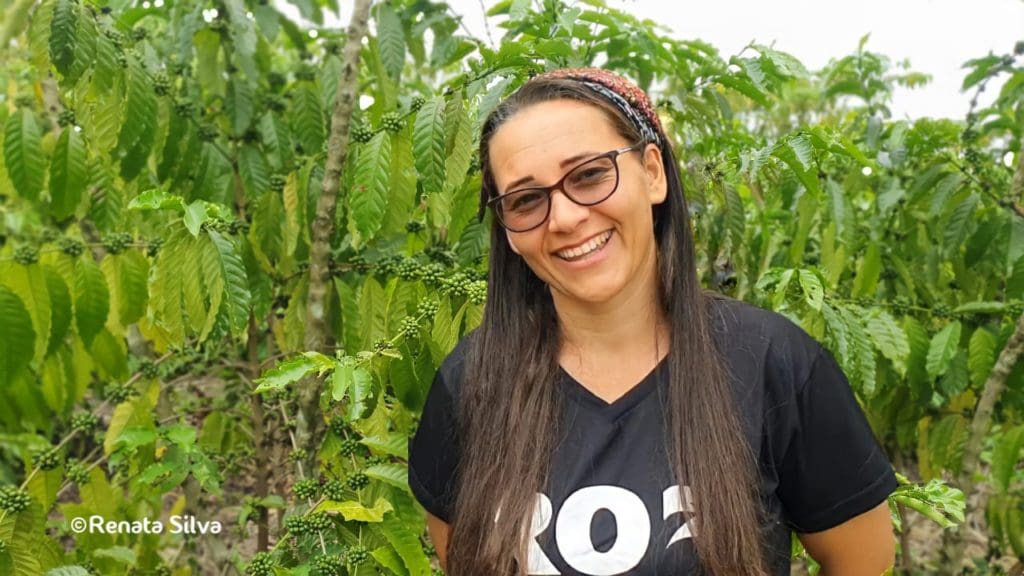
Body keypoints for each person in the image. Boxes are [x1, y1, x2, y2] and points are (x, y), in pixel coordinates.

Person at [407, 67, 897, 576]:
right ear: (507, 229)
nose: (566, 218)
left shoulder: (775, 364)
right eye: (526, 200)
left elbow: (863, 560)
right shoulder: (473, 382)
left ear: (653, 172)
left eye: (590, 175)